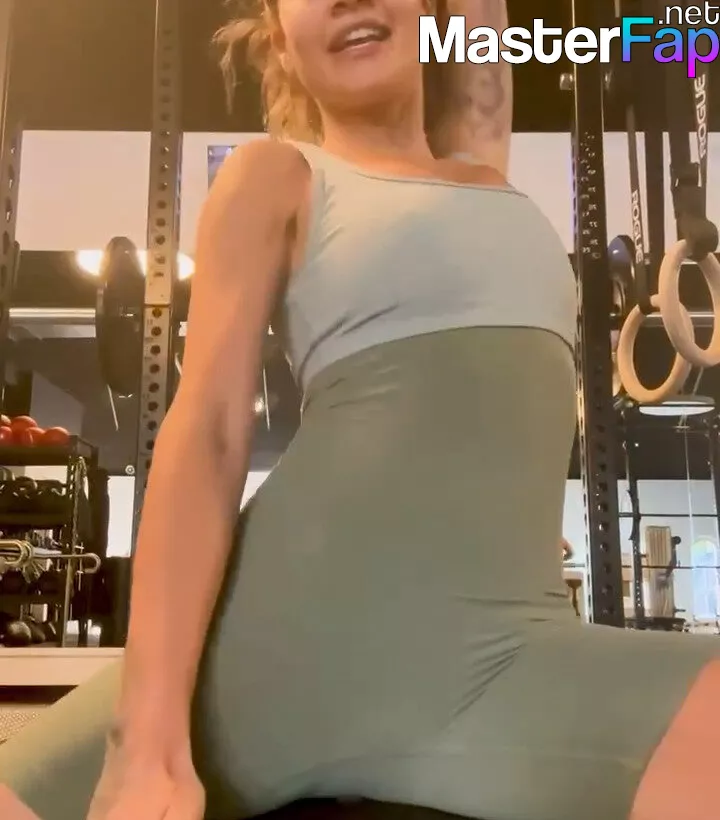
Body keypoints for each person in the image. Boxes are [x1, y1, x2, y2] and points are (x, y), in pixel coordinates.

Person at [1, 0, 719, 817]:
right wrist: (147, 746)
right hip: (271, 660)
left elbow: (480, 53)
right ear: (280, 37)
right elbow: (207, 435)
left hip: (496, 662)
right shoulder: (280, 177)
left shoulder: (481, 170)